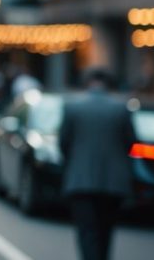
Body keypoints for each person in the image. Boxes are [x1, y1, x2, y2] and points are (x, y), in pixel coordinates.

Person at [58, 67, 135, 260]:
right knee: (105, 232)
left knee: (87, 232)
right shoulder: (121, 108)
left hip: (81, 180)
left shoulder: (73, 107)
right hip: (113, 182)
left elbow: (63, 142)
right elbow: (130, 142)